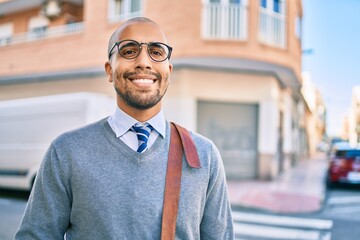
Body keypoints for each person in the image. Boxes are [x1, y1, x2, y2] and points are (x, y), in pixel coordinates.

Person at [15, 17, 234, 239]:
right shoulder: (66, 152)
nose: (144, 62)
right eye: (129, 51)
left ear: (168, 71)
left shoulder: (205, 156)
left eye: (156, 52)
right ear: (109, 70)